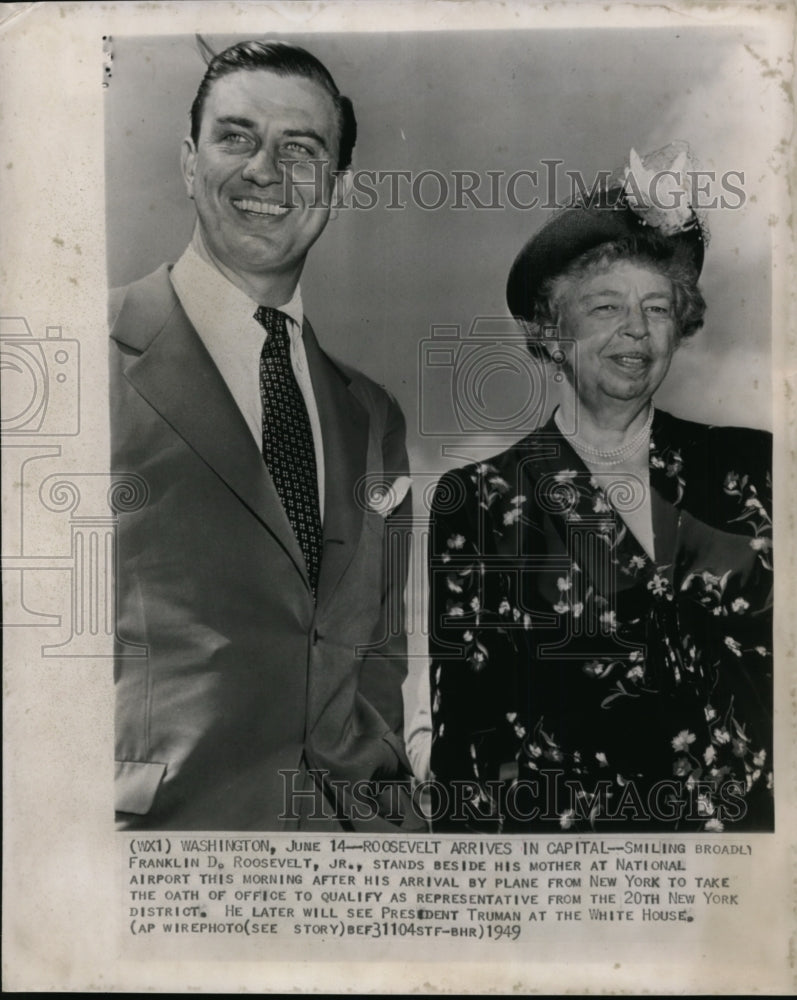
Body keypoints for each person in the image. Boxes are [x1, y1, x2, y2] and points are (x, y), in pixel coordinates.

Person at [110, 40, 419, 831]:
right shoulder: (75, 356)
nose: (265, 171)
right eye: (236, 137)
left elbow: (376, 660)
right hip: (156, 854)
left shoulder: (372, 415)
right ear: (188, 162)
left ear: (337, 187)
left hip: (349, 866)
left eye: (300, 149)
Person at [428, 148, 773, 832]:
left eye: (657, 307)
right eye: (606, 307)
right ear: (551, 330)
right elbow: (466, 748)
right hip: (580, 876)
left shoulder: (755, 467)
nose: (636, 332)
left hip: (748, 879)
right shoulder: (482, 498)